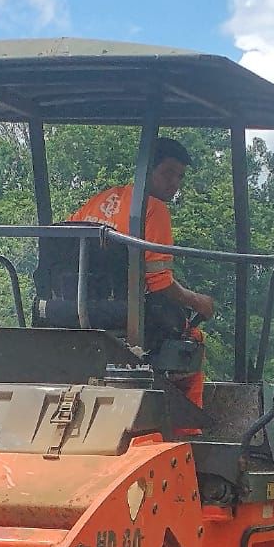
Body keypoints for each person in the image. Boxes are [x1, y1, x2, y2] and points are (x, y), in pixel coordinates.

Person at [69, 137, 214, 410]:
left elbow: (64, 246)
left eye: (180, 176)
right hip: (121, 312)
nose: (174, 183)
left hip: (72, 304)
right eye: (168, 172)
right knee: (192, 340)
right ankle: (189, 430)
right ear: (147, 169)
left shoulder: (104, 198)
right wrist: (198, 301)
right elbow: (160, 285)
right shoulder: (154, 209)